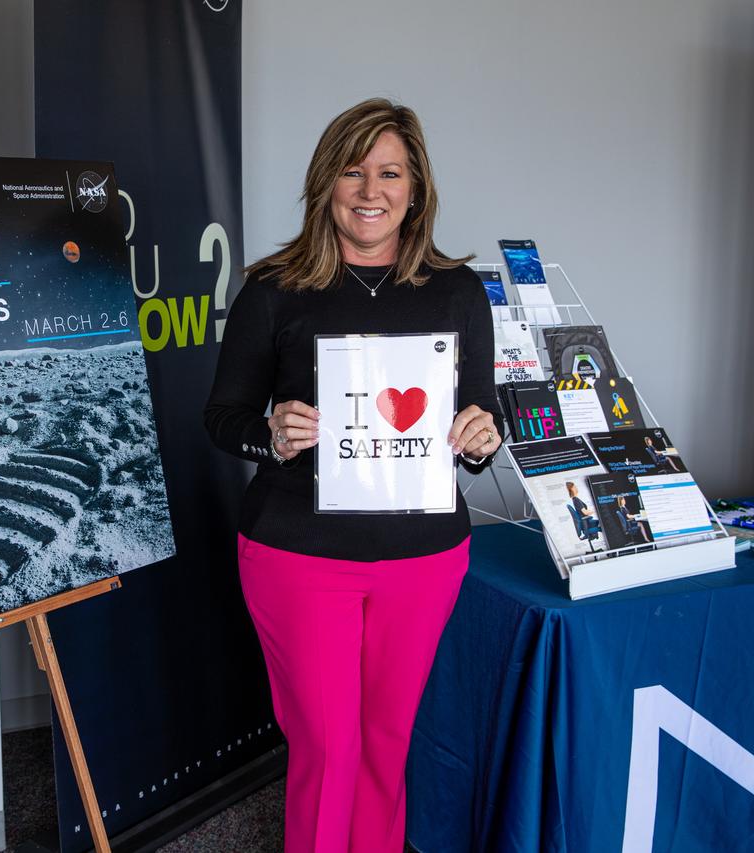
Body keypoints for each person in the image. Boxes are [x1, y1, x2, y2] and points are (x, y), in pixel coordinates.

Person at [204, 99, 503, 853]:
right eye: (352, 169)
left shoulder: (458, 292)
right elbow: (223, 414)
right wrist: (270, 434)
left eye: (389, 172)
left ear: (415, 187)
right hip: (299, 556)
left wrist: (479, 438)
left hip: (424, 558)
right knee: (329, 750)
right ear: (325, 181)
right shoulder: (274, 289)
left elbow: (482, 418)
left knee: (386, 746)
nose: (371, 190)